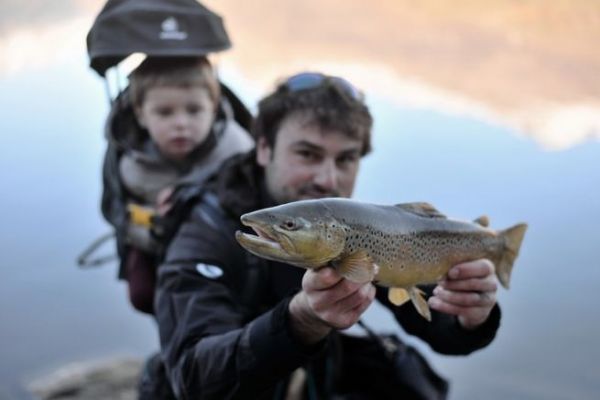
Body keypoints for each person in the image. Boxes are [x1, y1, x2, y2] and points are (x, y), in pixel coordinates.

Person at [153, 72, 501, 399]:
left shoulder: (353, 226)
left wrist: (468, 317)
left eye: (346, 159)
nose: (328, 179)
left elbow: (437, 327)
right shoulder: (203, 230)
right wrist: (298, 322)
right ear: (263, 149)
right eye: (307, 154)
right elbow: (192, 377)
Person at [101, 56, 253, 314]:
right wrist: (155, 225)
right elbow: (124, 217)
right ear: (141, 115)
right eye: (164, 113)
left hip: (224, 242)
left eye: (194, 110)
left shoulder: (237, 149)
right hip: (161, 245)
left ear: (213, 108)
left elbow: (254, 202)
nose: (181, 123)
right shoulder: (132, 167)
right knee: (142, 293)